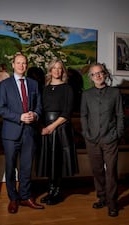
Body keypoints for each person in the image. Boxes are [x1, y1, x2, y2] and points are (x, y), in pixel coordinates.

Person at [0, 53, 44, 214]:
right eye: (18, 63)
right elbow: (1, 109)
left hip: (29, 133)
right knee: (10, 168)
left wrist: (35, 115)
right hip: (11, 133)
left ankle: (25, 196)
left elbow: (39, 106)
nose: (21, 66)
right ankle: (13, 198)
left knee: (26, 167)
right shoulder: (4, 85)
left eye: (24, 63)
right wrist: (19, 117)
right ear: (13, 64)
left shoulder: (33, 84)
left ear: (27, 65)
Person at [80, 62, 124, 217]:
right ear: (91, 77)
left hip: (110, 138)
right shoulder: (86, 94)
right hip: (92, 140)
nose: (97, 76)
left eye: (100, 72)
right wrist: (86, 132)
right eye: (94, 74)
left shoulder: (114, 93)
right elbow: (84, 115)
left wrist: (118, 133)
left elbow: (119, 115)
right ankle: (102, 197)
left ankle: (113, 203)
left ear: (105, 74)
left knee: (111, 171)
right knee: (97, 171)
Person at [37, 59, 79, 205]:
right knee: (49, 160)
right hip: (46, 127)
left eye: (59, 68)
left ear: (63, 71)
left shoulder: (67, 88)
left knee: (57, 161)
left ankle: (57, 192)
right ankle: (50, 190)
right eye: (54, 68)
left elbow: (67, 112)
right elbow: (41, 110)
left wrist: (52, 126)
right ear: (50, 70)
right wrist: (42, 126)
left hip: (60, 127)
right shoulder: (45, 89)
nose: (56, 71)